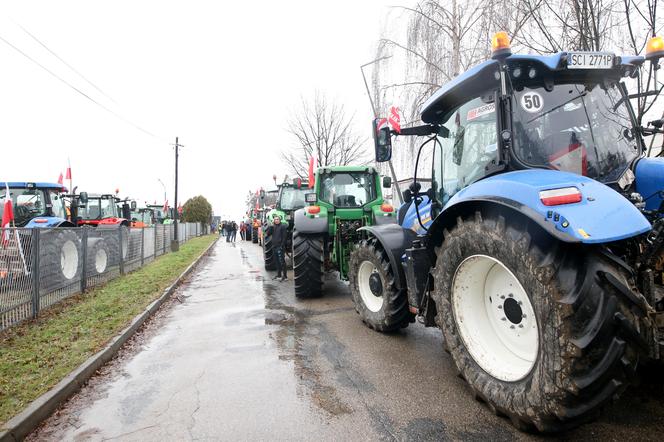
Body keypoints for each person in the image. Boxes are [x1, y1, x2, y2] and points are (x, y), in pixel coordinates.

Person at [266, 215, 288, 281]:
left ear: (280, 220)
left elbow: (284, 238)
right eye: (275, 219)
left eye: (277, 219)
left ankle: (285, 276)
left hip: (280, 247)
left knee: (282, 261)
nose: (276, 220)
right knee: (277, 262)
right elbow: (268, 234)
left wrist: (281, 246)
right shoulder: (273, 227)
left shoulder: (283, 227)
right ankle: (279, 275)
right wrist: (270, 226)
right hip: (274, 246)